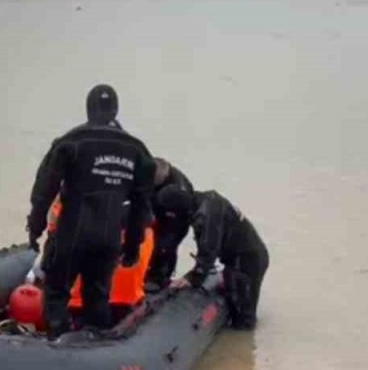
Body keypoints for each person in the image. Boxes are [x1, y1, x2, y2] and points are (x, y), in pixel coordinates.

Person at [26, 84, 155, 336]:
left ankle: (57, 346)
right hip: (108, 239)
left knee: (56, 295)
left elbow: (44, 189)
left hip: (72, 234)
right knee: (97, 297)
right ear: (116, 110)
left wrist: (35, 227)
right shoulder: (137, 150)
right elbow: (141, 206)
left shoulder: (70, 142)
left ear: (88, 109)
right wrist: (131, 247)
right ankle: (95, 345)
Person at [156, 186, 269, 330]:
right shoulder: (204, 200)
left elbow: (209, 250)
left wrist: (192, 278)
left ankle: (242, 343)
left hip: (246, 261)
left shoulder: (207, 215)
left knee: (243, 320)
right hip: (242, 256)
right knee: (235, 299)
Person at [145, 157, 194, 292]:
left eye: (156, 181)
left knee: (166, 246)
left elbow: (183, 215)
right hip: (156, 208)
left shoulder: (179, 187)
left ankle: (160, 277)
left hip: (176, 217)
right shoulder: (145, 173)